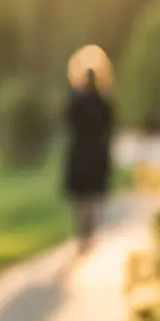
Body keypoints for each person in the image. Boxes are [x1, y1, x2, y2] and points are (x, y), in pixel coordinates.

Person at [64, 65, 114, 250]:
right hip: (95, 154)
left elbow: (67, 122)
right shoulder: (102, 102)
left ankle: (82, 233)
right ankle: (87, 233)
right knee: (91, 197)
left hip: (80, 153)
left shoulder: (76, 101)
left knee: (81, 198)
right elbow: (109, 128)